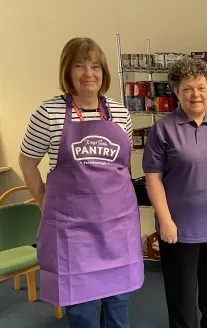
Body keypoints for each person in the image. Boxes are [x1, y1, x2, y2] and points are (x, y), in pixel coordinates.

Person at [18, 37, 142, 328]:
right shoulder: (48, 113)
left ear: (104, 71)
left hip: (116, 228)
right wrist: (43, 200)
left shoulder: (121, 113)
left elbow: (121, 165)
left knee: (118, 304)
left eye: (95, 66)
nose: (89, 73)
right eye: (79, 65)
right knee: (82, 310)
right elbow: (27, 161)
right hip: (74, 233)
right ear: (67, 71)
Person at [143, 56, 207, 328]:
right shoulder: (162, 130)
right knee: (182, 298)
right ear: (176, 92)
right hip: (179, 229)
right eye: (187, 88)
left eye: (200, 87)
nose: (195, 94)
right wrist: (164, 220)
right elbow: (153, 179)